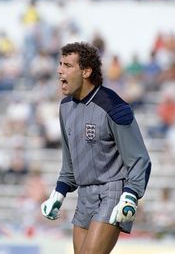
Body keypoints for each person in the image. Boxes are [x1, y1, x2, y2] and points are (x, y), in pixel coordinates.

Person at [41, 42, 151, 254]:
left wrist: (131, 195)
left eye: (67, 65)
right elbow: (69, 162)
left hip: (112, 191)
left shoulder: (113, 106)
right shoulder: (65, 107)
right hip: (85, 193)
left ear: (86, 71)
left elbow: (140, 159)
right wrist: (59, 193)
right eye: (59, 64)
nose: (59, 70)